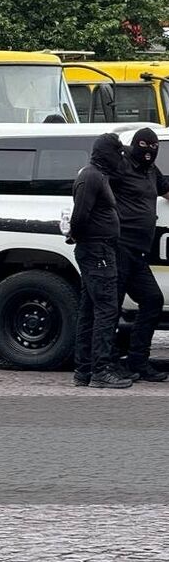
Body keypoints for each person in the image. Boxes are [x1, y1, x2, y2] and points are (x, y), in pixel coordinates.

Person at [69, 134, 130, 389]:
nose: (122, 158)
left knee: (90, 311)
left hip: (97, 250)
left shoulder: (96, 174)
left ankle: (84, 370)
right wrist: (78, 235)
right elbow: (80, 214)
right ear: (107, 153)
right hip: (98, 252)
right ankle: (100, 370)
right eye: (118, 153)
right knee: (106, 310)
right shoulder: (92, 176)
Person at [110, 127, 169, 382]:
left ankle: (137, 360)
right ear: (134, 145)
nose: (149, 151)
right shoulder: (121, 167)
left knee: (153, 300)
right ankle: (107, 363)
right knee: (111, 308)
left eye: (153, 147)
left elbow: (166, 190)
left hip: (139, 253)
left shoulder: (150, 171)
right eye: (144, 145)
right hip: (119, 246)